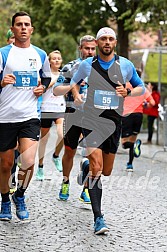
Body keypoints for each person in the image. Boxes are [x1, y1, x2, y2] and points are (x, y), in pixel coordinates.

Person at [70, 27, 145, 234]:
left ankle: (85, 169)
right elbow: (73, 83)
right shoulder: (87, 65)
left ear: (114, 43)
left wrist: (128, 91)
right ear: (97, 41)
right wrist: (76, 96)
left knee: (107, 171)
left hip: (114, 123)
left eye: (111, 39)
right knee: (97, 167)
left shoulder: (126, 65)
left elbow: (142, 88)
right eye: (103, 38)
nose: (107, 42)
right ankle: (98, 218)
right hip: (92, 120)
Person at [0, 11, 51, 221]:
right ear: (12, 29)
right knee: (4, 164)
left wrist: (42, 88)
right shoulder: (3, 53)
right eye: (18, 24)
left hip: (30, 116)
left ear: (31, 29)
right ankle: (4, 201)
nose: (23, 28)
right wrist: (1, 82)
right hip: (5, 117)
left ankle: (19, 195)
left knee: (29, 161)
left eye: (26, 24)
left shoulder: (40, 54)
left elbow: (46, 77)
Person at [53, 35, 96, 203]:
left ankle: (86, 189)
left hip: (94, 116)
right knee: (69, 151)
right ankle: (65, 181)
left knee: (93, 154)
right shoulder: (71, 67)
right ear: (81, 49)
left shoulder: (102, 68)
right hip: (73, 113)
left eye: (93, 48)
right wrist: (71, 87)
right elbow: (56, 90)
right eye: (87, 48)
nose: (90, 52)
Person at [36, 50, 65, 180]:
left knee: (62, 134)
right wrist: (53, 82)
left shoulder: (64, 75)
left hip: (59, 108)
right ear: (49, 61)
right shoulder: (44, 75)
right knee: (44, 140)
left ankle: (56, 155)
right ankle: (40, 167)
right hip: (46, 109)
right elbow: (41, 90)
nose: (57, 60)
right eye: (54, 59)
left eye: (59, 58)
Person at [121, 69, 155, 171]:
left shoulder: (125, 86)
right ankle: (130, 164)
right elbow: (152, 103)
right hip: (138, 116)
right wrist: (145, 105)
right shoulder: (143, 88)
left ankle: (134, 147)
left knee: (124, 143)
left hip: (127, 115)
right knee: (132, 140)